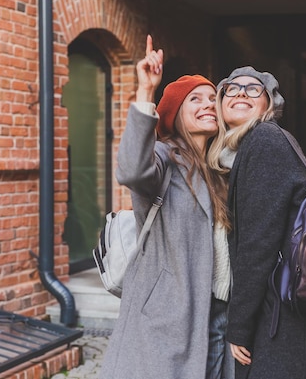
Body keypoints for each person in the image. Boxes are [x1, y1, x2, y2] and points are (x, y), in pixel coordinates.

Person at [100, 35, 233, 379]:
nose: (208, 104)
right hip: (170, 314)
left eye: (212, 99)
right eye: (195, 100)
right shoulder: (165, 157)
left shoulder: (221, 171)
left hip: (218, 313)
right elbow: (131, 170)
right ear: (174, 114)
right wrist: (146, 93)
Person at [207, 66, 306, 378]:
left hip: (289, 319)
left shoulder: (264, 141)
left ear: (269, 106)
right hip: (296, 310)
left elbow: (258, 245)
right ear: (219, 103)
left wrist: (238, 327)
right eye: (232, 88)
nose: (242, 92)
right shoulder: (250, 149)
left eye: (254, 89)